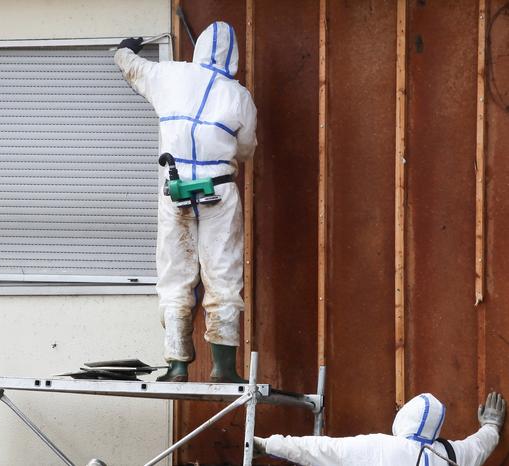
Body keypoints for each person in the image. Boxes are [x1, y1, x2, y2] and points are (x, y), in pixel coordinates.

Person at [114, 22, 257, 383]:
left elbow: (127, 63)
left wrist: (127, 46)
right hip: (219, 191)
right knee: (222, 277)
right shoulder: (238, 95)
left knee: (175, 276)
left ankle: (177, 365)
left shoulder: (168, 75)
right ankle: (223, 369)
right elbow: (247, 149)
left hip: (174, 190)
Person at [253, 391, 505, 466]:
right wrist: (492, 425)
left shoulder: (380, 446)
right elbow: (480, 445)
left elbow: (321, 449)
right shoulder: (451, 454)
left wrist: (267, 444)